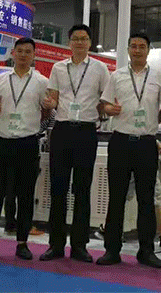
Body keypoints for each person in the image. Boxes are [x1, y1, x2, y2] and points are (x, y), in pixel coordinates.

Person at [96, 33, 161, 268]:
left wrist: (158, 119)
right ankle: (112, 250)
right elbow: (104, 104)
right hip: (120, 141)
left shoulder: (158, 77)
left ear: (148, 50)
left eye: (142, 46)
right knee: (116, 198)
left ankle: (146, 251)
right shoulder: (117, 76)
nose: (137, 50)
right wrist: (109, 109)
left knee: (146, 199)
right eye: (134, 46)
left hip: (147, 143)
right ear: (128, 50)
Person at [0, 37, 48, 260]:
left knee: (25, 196)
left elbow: (46, 111)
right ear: (13, 53)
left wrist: (40, 117)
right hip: (3, 142)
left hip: (27, 143)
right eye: (20, 51)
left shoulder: (42, 82)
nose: (23, 55)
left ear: (34, 55)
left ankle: (22, 243)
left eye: (28, 51)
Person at [39, 24, 110, 262]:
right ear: (69, 43)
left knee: (82, 189)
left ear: (90, 42)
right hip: (61, 130)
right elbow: (53, 97)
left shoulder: (100, 68)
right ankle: (56, 244)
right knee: (57, 189)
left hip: (86, 132)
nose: (80, 42)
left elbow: (105, 99)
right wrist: (50, 104)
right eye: (76, 39)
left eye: (84, 38)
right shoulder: (58, 68)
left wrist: (105, 110)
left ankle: (79, 245)